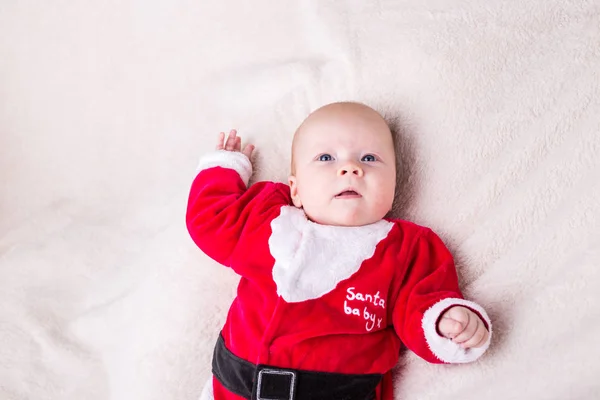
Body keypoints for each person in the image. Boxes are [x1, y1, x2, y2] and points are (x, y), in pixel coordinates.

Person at [187, 102, 492, 400]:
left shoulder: (404, 247)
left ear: (395, 184)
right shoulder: (270, 221)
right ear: (296, 190)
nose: (351, 168)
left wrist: (447, 322)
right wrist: (224, 168)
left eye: (370, 158)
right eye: (326, 158)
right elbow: (212, 221)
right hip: (233, 386)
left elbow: (422, 302)